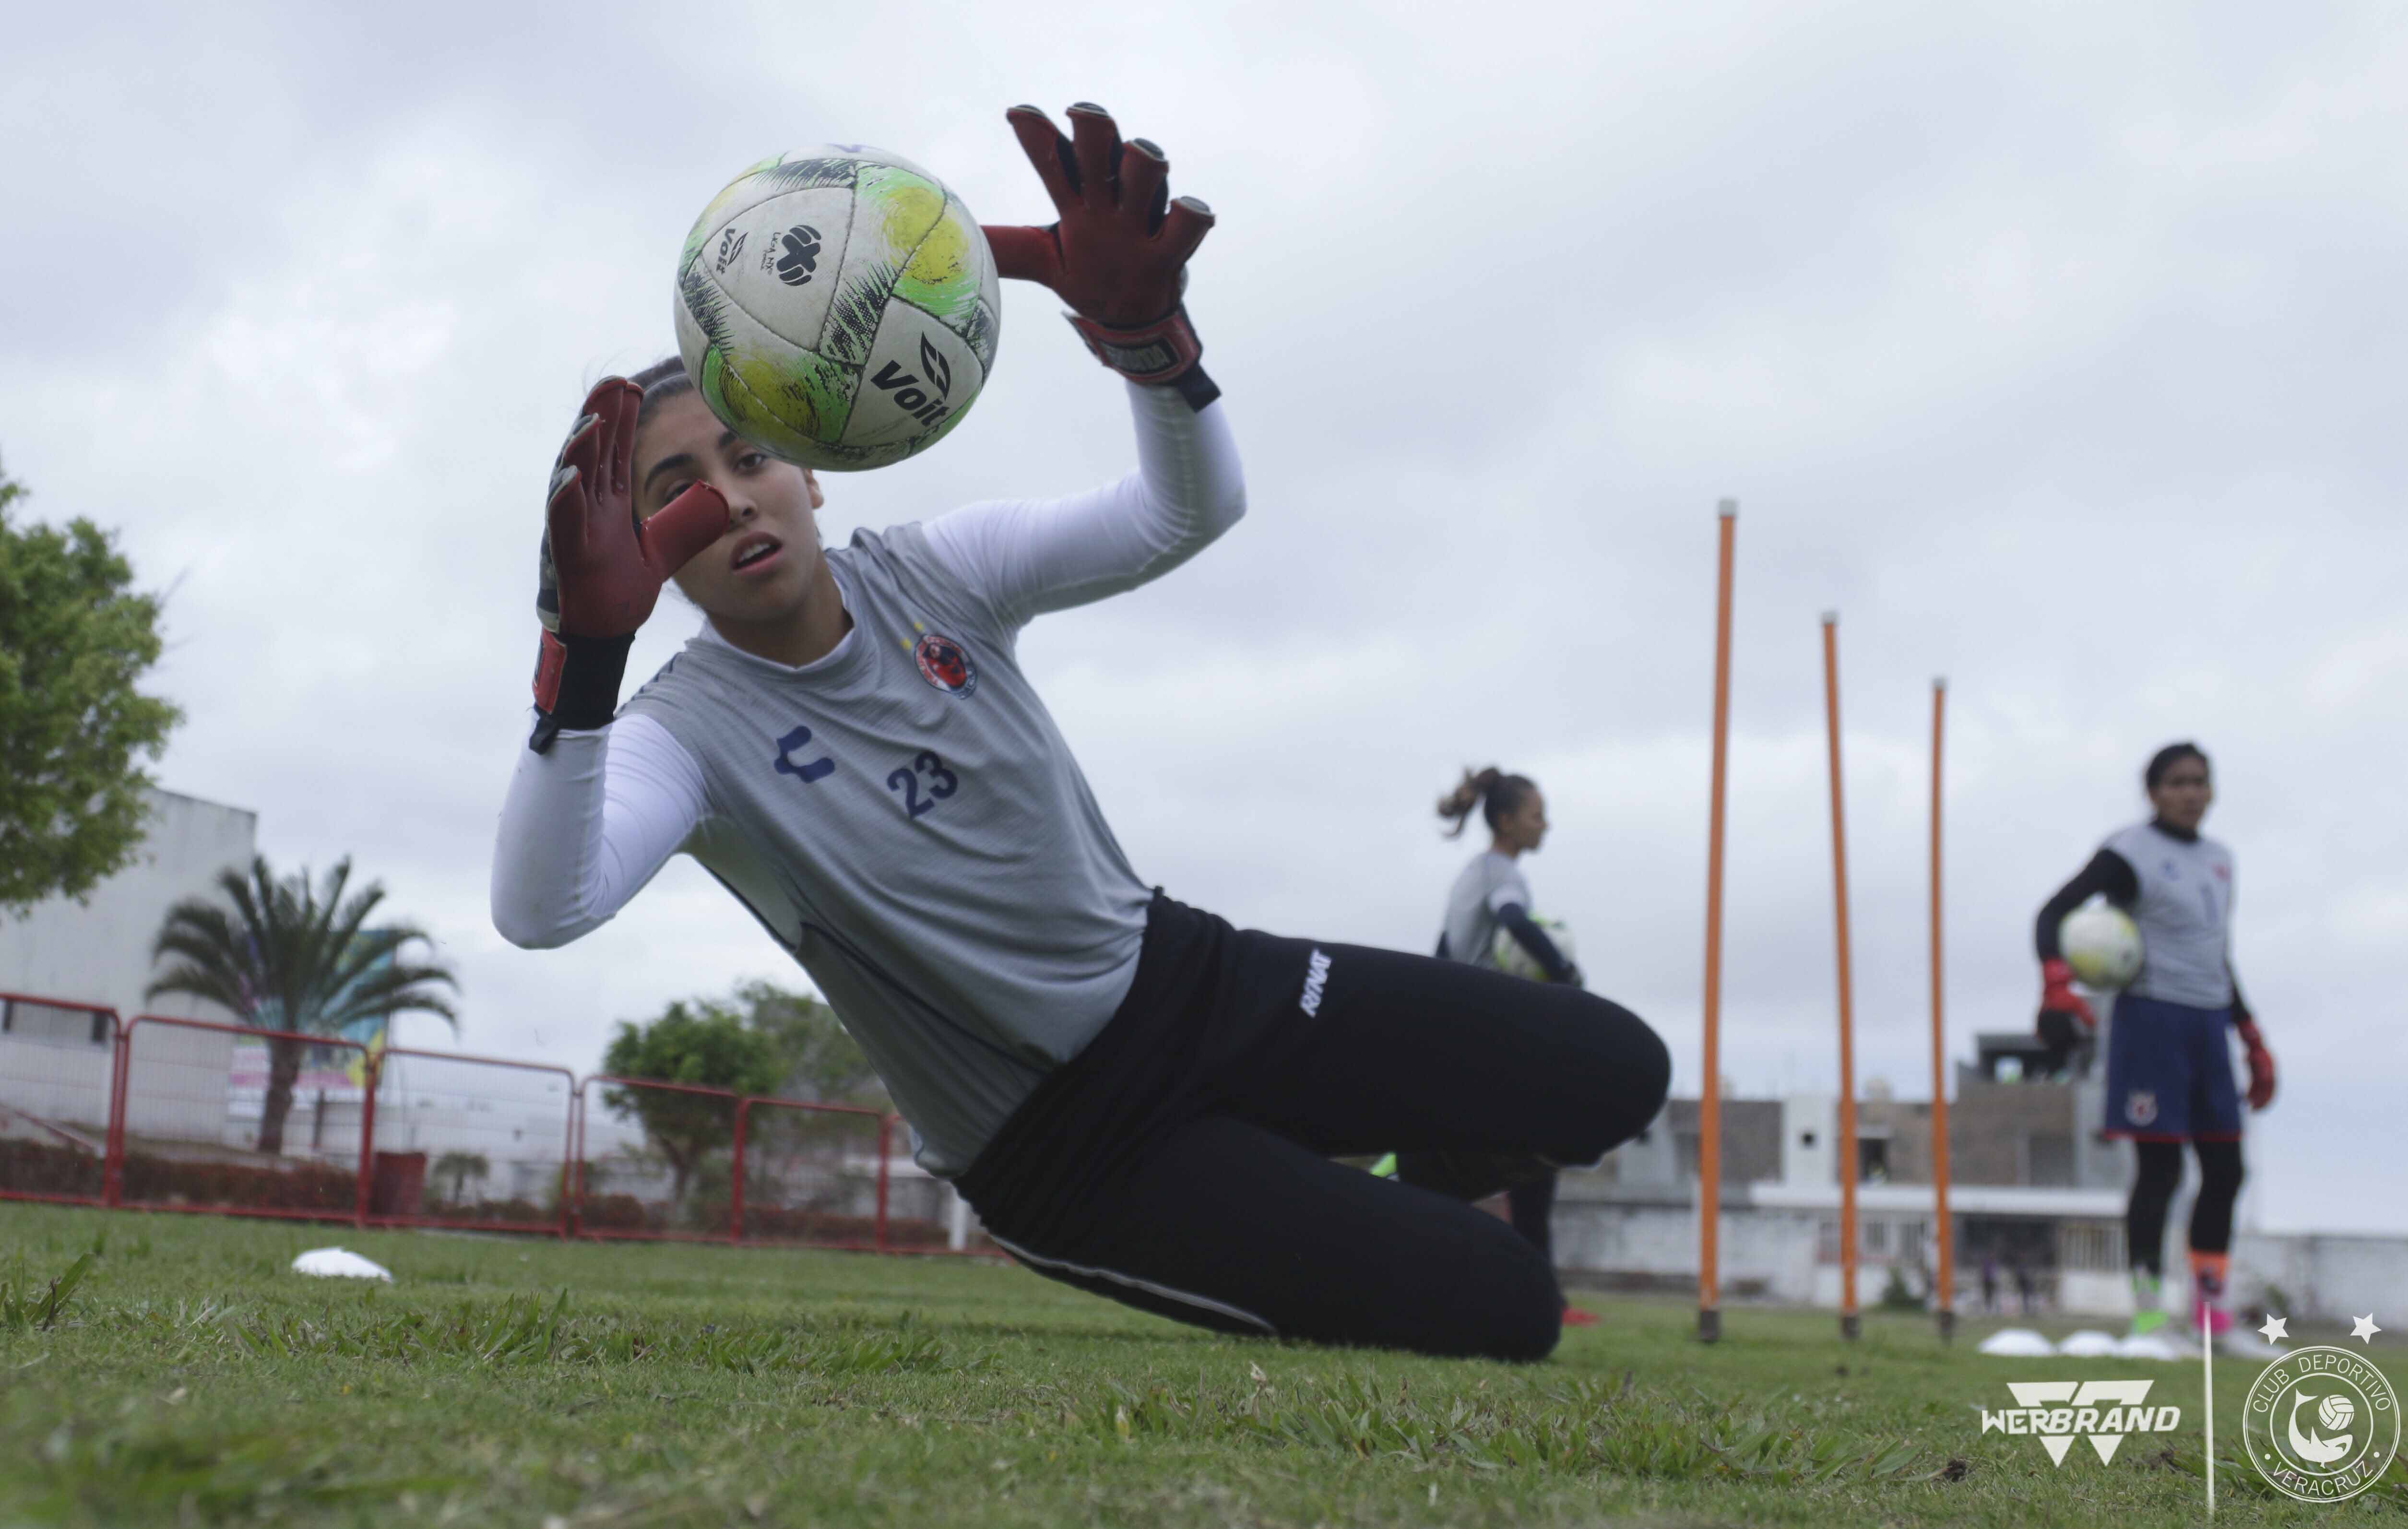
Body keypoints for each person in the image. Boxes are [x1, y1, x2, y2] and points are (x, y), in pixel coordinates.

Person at [493, 103, 1670, 1362]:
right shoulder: (687, 734)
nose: (725, 499)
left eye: (749, 453)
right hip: (1070, 1144)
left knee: (1614, 1069)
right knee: (1507, 1307)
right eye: (672, 490)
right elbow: (542, 907)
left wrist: (1143, 342)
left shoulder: (933, 572)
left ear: (816, 464)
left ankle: (1361, 1162)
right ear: (639, 555)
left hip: (1199, 981)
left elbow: (1186, 510)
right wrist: (585, 663)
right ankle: (1299, 1206)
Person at [2032, 742, 2275, 1355]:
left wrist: (2250, 1035)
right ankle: (2147, 1320)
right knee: (2160, 1171)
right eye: (2177, 782)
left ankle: (2212, 1321)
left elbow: (2215, 951)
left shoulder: (2222, 860)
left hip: (2210, 1024)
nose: (2191, 792)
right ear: (2154, 792)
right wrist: (2057, 986)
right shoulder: (2131, 851)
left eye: (2200, 781)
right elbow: (2055, 911)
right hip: (2150, 1020)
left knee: (2226, 1169)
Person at [1416, 768, 1596, 1326]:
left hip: (1462, 1035)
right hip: (1482, 1038)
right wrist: (1564, 971)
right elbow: (1514, 919)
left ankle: (1531, 1294)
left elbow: (1444, 950)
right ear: (1506, 821)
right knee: (1536, 1154)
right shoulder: (1501, 873)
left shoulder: (1473, 873)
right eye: (1537, 814)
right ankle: (1543, 1299)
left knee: (1490, 1160)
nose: (1546, 824)